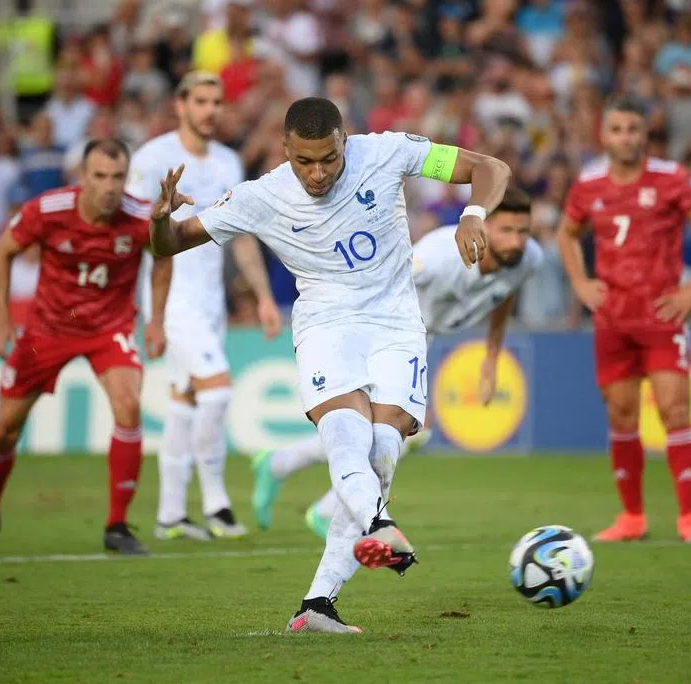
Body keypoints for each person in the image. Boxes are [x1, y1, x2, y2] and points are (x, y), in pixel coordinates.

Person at [149, 97, 509, 633]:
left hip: (396, 323)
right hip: (326, 324)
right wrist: (159, 219)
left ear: (346, 142)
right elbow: (169, 245)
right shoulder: (260, 196)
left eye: (329, 159)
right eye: (305, 162)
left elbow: (489, 167)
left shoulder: (385, 153)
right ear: (285, 150)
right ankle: (378, 524)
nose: (318, 173)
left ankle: (318, 605)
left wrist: (473, 213)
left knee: (384, 453)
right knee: (346, 433)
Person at [251, 187, 544, 537]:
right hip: (383, 329)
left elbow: (503, 291)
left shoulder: (529, 259)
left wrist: (491, 359)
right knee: (396, 429)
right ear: (482, 226)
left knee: (394, 432)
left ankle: (281, 465)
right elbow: (382, 278)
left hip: (420, 336)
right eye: (506, 231)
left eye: (523, 231)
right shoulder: (439, 256)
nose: (516, 241)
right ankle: (326, 508)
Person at [0, 138, 152, 556]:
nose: (109, 187)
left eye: (118, 177)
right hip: (47, 328)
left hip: (109, 326)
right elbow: (2, 253)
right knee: (5, 428)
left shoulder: (140, 216)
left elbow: (166, 255)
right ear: (82, 177)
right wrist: (2, 320)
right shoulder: (48, 210)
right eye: (99, 176)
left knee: (129, 405)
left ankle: (117, 525)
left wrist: (157, 318)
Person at [557, 95, 691, 544]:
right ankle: (632, 517)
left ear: (645, 134)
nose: (625, 137)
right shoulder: (589, 184)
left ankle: (689, 518)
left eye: (633, 129)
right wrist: (580, 281)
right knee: (621, 413)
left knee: (674, 408)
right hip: (613, 319)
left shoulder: (672, 179)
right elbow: (566, 233)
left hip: (660, 315)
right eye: (617, 129)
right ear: (604, 134)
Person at [127, 71, 281, 540]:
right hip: (169, 298)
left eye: (217, 102)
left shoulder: (229, 163)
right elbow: (131, 233)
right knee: (216, 390)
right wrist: (144, 312)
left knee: (186, 401)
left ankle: (170, 514)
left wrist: (263, 295)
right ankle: (216, 504)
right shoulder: (152, 158)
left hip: (210, 300)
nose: (210, 109)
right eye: (200, 101)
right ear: (180, 105)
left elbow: (240, 237)